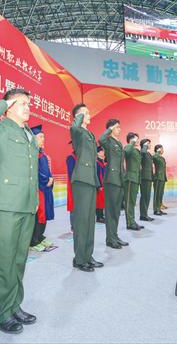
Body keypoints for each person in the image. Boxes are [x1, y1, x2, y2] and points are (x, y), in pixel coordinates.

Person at [0, 88, 39, 334]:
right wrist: (3, 103)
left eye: (28, 103)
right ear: (10, 106)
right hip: (7, 203)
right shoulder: (0, 129)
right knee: (5, 260)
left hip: (26, 203)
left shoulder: (28, 133)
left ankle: (14, 305)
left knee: (19, 259)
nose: (28, 107)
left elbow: (31, 171)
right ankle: (0, 313)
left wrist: (34, 200)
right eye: (23, 103)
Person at [70, 103, 103, 272]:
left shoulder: (89, 133)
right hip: (82, 180)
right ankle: (79, 259)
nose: (89, 115)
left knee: (90, 221)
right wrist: (80, 115)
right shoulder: (77, 132)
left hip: (90, 180)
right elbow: (74, 128)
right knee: (82, 221)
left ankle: (88, 256)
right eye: (86, 113)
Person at [99, 119, 130, 249]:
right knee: (111, 211)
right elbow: (101, 139)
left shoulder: (118, 143)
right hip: (111, 180)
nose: (119, 129)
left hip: (119, 179)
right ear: (111, 128)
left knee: (116, 211)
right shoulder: (108, 141)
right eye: (117, 127)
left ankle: (115, 236)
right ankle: (110, 239)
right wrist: (109, 129)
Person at [29, 125, 55, 252]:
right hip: (38, 188)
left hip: (46, 188)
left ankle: (40, 236)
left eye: (43, 136)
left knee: (45, 214)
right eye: (40, 137)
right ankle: (33, 241)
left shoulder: (42, 153)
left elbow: (47, 170)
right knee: (38, 214)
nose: (43, 139)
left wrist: (51, 178)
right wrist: (46, 180)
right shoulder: (32, 153)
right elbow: (35, 171)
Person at [124, 132, 144, 230]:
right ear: (131, 139)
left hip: (136, 178)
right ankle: (129, 222)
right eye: (136, 139)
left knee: (132, 201)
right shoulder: (129, 147)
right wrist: (131, 142)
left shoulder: (136, 150)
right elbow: (126, 152)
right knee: (129, 202)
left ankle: (132, 221)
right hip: (130, 178)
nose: (137, 140)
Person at [139, 139, 154, 222]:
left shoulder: (148, 153)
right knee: (144, 196)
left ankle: (145, 214)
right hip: (144, 177)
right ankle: (143, 215)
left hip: (148, 177)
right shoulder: (142, 152)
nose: (150, 145)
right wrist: (144, 146)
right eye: (148, 143)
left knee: (147, 196)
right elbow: (142, 153)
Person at [152, 144, 168, 215]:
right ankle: (156, 209)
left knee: (160, 193)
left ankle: (159, 208)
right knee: (157, 194)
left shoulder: (162, 158)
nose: (162, 150)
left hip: (162, 177)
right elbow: (152, 159)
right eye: (161, 148)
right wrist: (157, 152)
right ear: (157, 149)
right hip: (158, 177)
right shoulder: (155, 156)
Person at [65, 148, 77, 230]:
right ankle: (73, 226)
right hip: (73, 184)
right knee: (73, 206)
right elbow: (71, 173)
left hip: (79, 185)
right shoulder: (71, 157)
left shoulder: (80, 157)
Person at [95, 146, 106, 223]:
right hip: (99, 185)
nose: (103, 153)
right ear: (98, 153)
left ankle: (101, 216)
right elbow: (97, 175)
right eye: (101, 151)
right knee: (99, 202)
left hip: (103, 185)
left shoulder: (102, 162)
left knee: (102, 201)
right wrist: (99, 185)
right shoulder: (97, 163)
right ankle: (99, 217)